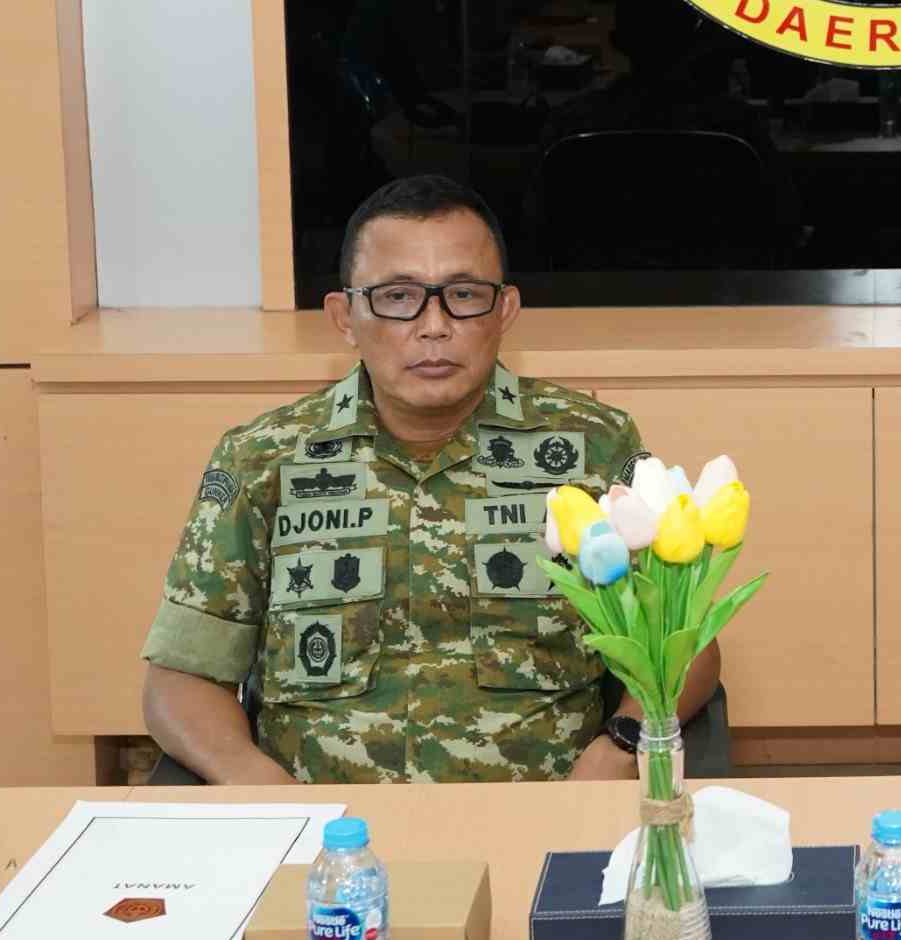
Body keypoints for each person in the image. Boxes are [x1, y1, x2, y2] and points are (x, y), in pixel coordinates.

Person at [139, 175, 719, 783]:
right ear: (344, 316)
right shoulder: (263, 459)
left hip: (542, 813)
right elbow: (181, 675)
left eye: (464, 295)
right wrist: (262, 789)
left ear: (505, 310)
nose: (434, 326)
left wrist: (620, 748)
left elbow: (688, 645)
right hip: (325, 825)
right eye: (397, 297)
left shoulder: (590, 447)